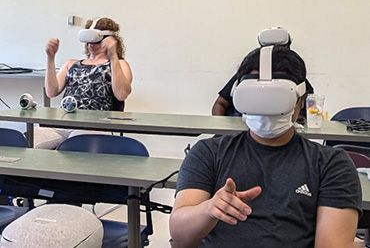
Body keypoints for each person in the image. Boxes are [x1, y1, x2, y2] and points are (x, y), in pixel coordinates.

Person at [169, 46, 362, 248]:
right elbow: (180, 235)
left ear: (301, 100)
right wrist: (209, 209)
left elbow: (331, 245)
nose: (266, 110)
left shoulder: (331, 164)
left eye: (276, 99)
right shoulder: (208, 153)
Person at [34, 17, 132, 149]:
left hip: (93, 124)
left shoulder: (119, 64)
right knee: (28, 144)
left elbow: (121, 94)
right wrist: (50, 57)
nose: (91, 44)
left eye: (96, 40)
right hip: (62, 122)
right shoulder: (71, 64)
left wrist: (113, 55)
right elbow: (51, 92)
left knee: (74, 151)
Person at [212, 27, 314, 124]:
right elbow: (219, 104)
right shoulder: (248, 76)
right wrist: (223, 133)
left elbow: (310, 110)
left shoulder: (295, 79)